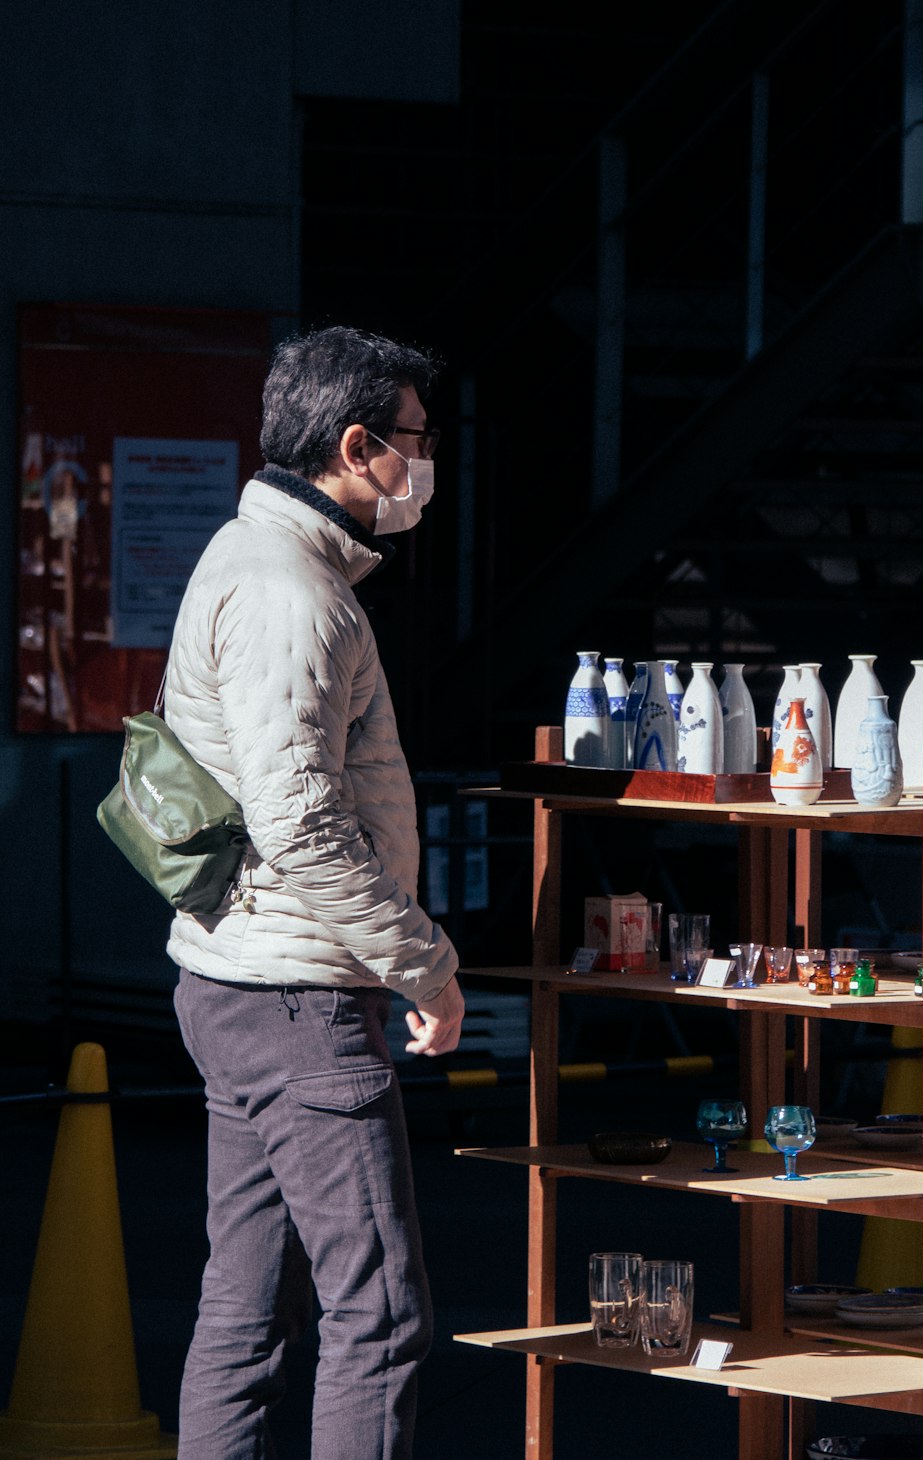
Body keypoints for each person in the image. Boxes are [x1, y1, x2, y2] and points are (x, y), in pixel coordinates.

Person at [163, 325, 465, 1460]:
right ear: (354, 445)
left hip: (235, 978)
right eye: (414, 442)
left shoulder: (248, 556)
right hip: (296, 998)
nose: (424, 465)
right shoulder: (297, 593)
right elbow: (299, 819)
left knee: (246, 1311)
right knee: (378, 1312)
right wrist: (423, 960)